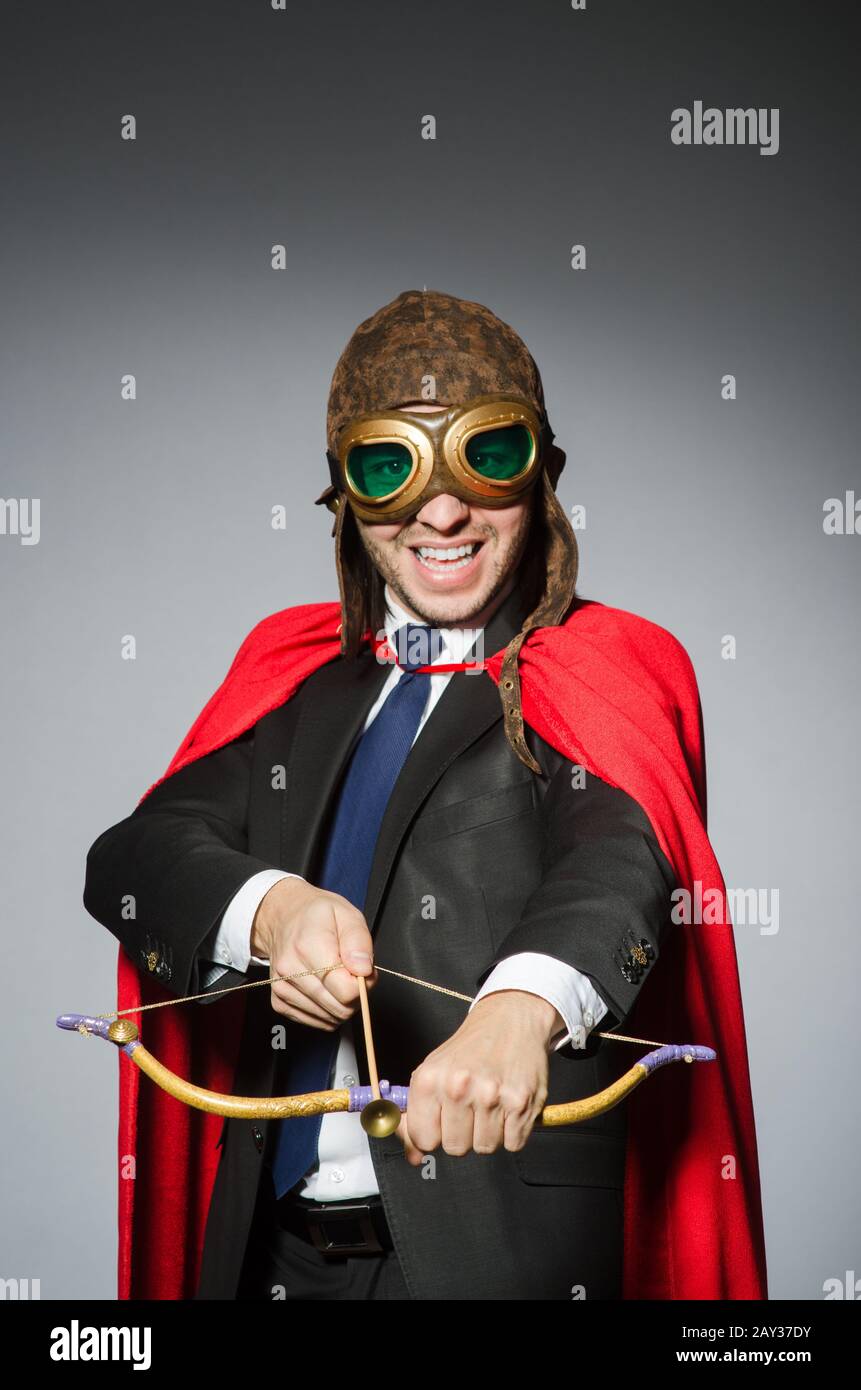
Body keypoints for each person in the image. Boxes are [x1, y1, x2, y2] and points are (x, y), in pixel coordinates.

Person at [83, 288, 767, 1301]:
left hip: (494, 1264)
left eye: (486, 457)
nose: (443, 511)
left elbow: (621, 855)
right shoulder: (299, 679)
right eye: (393, 465)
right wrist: (270, 909)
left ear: (543, 477)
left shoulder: (607, 669)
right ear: (345, 495)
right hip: (270, 1258)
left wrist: (520, 1008)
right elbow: (133, 856)